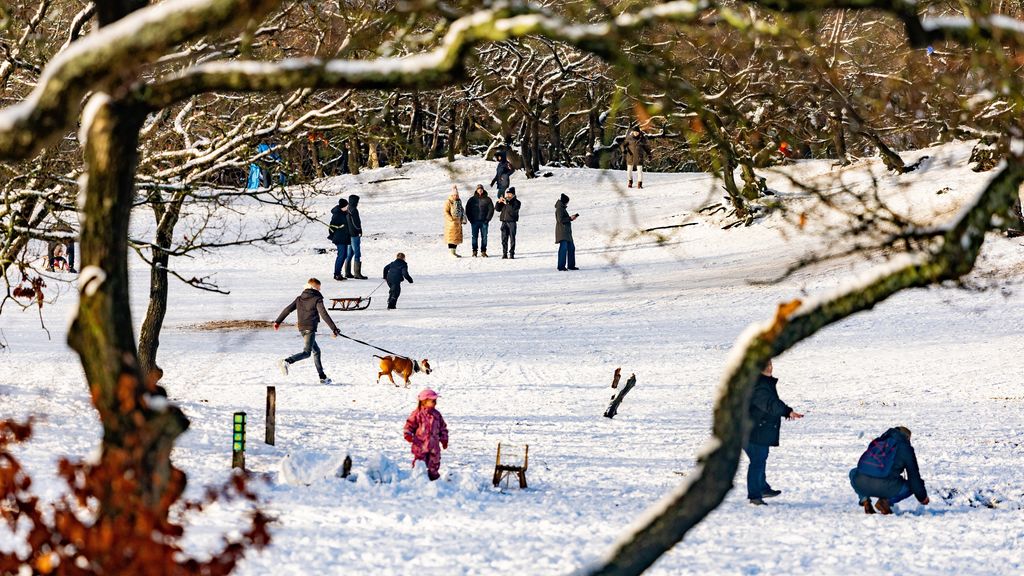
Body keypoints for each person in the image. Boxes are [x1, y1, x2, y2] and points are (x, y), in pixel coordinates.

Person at [745, 359, 803, 505]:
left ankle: (762, 488)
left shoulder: (764, 382)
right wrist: (787, 411)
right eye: (765, 365)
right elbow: (770, 404)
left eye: (770, 364)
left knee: (760, 459)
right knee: (757, 461)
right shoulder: (758, 385)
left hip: (758, 429)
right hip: (751, 431)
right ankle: (755, 496)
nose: (769, 368)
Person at [273, 278, 340, 385]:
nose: (320, 290)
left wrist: (278, 321)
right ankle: (286, 361)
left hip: (302, 328)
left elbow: (287, 309)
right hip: (309, 328)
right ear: (314, 288)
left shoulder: (299, 298)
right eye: (319, 288)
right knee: (307, 353)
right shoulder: (317, 298)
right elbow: (324, 314)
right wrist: (334, 328)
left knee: (316, 351)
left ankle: (322, 377)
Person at [849, 427, 929, 515]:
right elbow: (914, 478)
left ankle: (865, 501)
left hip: (860, 483)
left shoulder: (877, 442)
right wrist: (922, 497)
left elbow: (867, 466)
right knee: (912, 486)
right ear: (907, 437)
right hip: (885, 486)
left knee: (853, 472)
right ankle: (885, 501)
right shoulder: (905, 448)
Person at [403, 388, 448, 481]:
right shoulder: (417, 414)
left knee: (435, 461)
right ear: (424, 401)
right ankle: (418, 478)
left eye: (435, 401)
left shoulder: (437, 415)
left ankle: (433, 477)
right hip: (420, 445)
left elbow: (443, 428)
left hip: (434, 445)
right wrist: (408, 434)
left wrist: (444, 439)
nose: (435, 403)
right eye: (433, 401)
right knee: (419, 462)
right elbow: (409, 425)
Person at [465, 184, 495, 257]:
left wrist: (487, 219)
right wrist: (470, 219)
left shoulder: (487, 199)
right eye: (478, 189)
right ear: (476, 190)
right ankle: (474, 251)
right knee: (474, 237)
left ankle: (483, 251)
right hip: (474, 221)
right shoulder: (472, 199)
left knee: (484, 237)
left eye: (481, 189)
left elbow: (491, 210)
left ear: (483, 190)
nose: (480, 190)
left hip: (484, 222)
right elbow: (467, 210)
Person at [343, 194, 368, 279]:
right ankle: (357, 273)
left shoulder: (346, 209)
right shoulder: (354, 210)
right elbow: (356, 222)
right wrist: (359, 230)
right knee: (357, 253)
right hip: (354, 234)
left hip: (348, 234)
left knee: (349, 253)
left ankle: (347, 272)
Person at [328, 198, 351, 281]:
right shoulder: (337, 214)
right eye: (346, 206)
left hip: (344, 237)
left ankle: (338, 273)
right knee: (341, 255)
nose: (348, 207)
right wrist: (334, 235)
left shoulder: (345, 213)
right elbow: (331, 227)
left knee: (344, 255)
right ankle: (336, 274)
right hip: (339, 238)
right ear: (343, 206)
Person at [495, 187, 521, 259]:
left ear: (513, 194)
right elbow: (497, 209)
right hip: (504, 222)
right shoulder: (505, 201)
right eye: (507, 193)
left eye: (510, 194)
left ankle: (512, 253)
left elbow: (513, 209)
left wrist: (507, 203)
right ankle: (504, 253)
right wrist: (498, 202)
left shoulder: (517, 202)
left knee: (512, 238)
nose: (508, 195)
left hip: (512, 222)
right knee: (504, 239)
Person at [554, 193, 578, 271]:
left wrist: (570, 218)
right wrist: (570, 218)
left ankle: (571, 265)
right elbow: (560, 220)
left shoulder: (562, 208)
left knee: (571, 248)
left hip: (566, 232)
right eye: (567, 202)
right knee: (563, 249)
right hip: (562, 232)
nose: (567, 203)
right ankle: (561, 266)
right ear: (565, 201)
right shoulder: (560, 209)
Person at [444, 185, 467, 257]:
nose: (455, 196)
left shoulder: (459, 201)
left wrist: (463, 219)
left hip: (458, 223)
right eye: (454, 195)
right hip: (451, 223)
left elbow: (462, 210)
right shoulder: (448, 202)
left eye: (457, 195)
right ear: (452, 195)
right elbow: (446, 211)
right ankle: (452, 252)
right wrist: (451, 219)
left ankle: (454, 252)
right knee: (451, 238)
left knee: (456, 238)